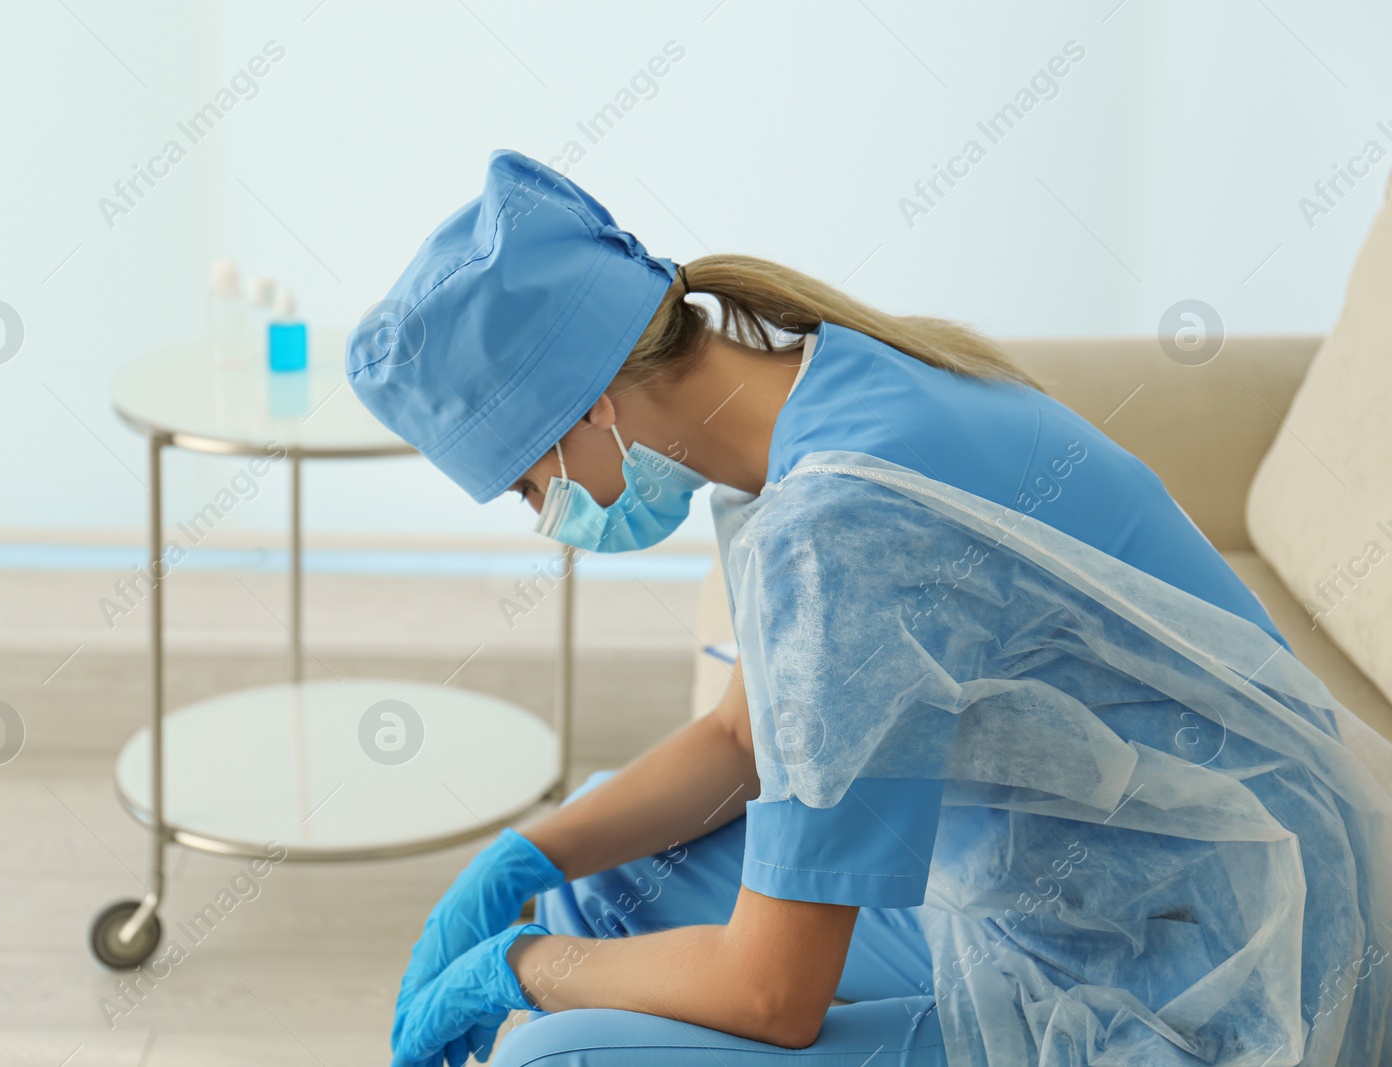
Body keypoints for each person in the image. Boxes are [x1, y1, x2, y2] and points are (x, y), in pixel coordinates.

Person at [347, 149, 1392, 1067]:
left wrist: (525, 967)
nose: (551, 517)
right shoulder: (826, 382)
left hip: (1203, 987)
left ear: (588, 408)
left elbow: (772, 994)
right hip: (1112, 885)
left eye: (534, 485)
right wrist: (520, 859)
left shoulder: (839, 528)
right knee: (605, 884)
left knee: (557, 1051)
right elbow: (741, 737)